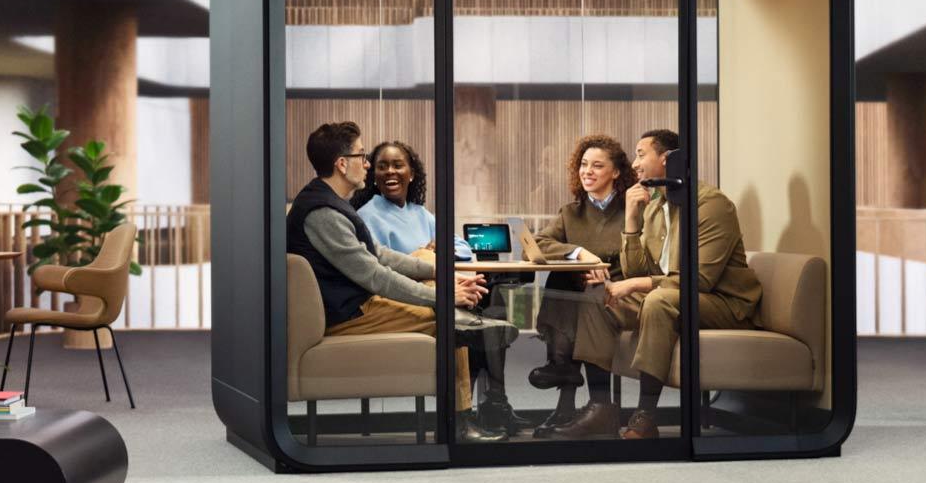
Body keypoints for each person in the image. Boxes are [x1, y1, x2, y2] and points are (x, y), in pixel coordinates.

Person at [285, 121, 517, 442]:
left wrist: (440, 275)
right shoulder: (324, 213)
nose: (366, 164)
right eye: (363, 156)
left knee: (427, 263)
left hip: (356, 303)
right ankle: (461, 422)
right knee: (446, 320)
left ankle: (469, 320)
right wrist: (444, 297)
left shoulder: (330, 203)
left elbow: (381, 255)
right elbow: (375, 275)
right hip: (349, 314)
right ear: (342, 164)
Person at [552, 129, 761, 440]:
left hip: (725, 303)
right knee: (598, 295)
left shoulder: (710, 205)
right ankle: (600, 408)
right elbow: (639, 267)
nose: (635, 164)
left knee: (658, 301)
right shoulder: (654, 204)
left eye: (640, 154)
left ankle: (645, 416)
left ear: (667, 159)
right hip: (675, 295)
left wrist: (633, 284)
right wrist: (632, 220)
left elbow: (700, 280)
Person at [525, 135, 636, 438]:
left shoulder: (633, 210)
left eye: (597, 165)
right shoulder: (570, 212)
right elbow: (535, 246)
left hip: (618, 293)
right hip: (583, 294)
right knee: (566, 279)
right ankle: (568, 392)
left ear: (615, 172)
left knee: (586, 293)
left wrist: (603, 272)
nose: (587, 171)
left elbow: (641, 260)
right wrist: (578, 253)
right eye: (584, 165)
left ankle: (569, 383)